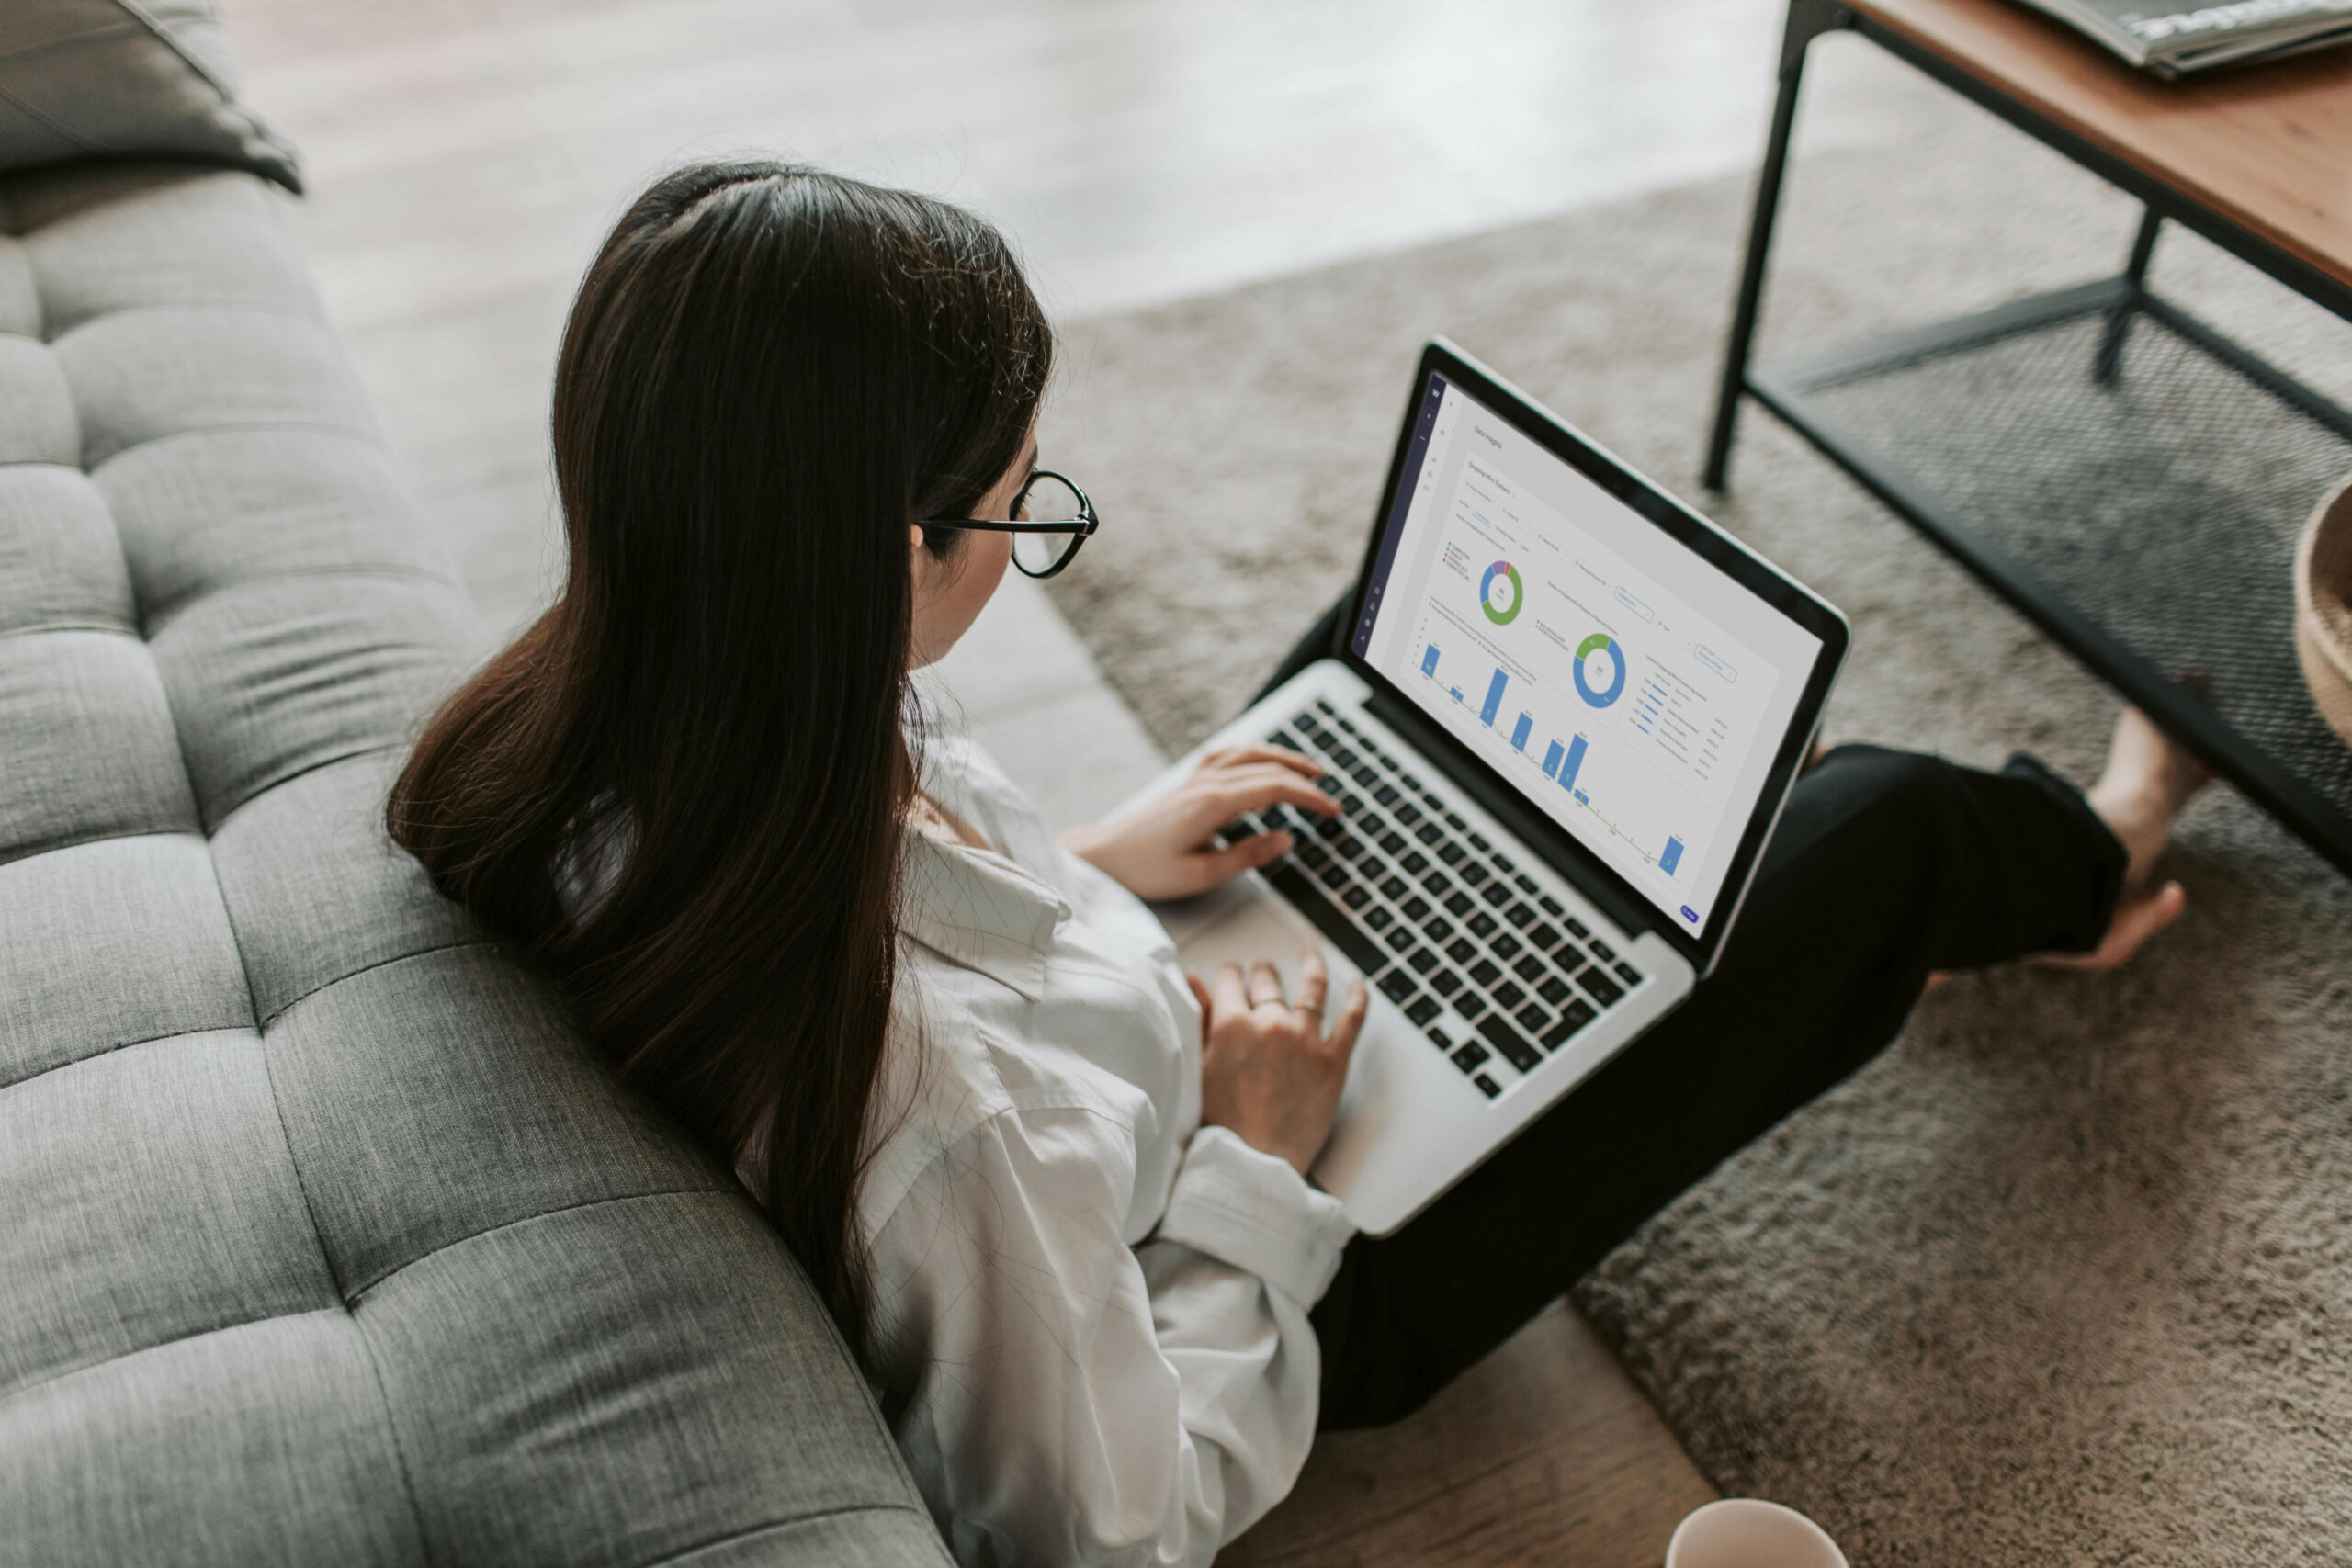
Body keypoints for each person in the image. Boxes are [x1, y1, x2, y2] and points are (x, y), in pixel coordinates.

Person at [388, 161, 2209, 1567]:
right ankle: (2092, 856)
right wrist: (1256, 1161)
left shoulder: (644, 711)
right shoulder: (953, 1124)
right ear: (884, 551)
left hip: (1141, 1033)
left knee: (1386, 663)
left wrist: (1086, 865)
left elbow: (902, 933)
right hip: (1292, 1259)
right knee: (1884, 829)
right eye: (1019, 507)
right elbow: (1121, 1526)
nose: (1031, 526)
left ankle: (1684, 813)